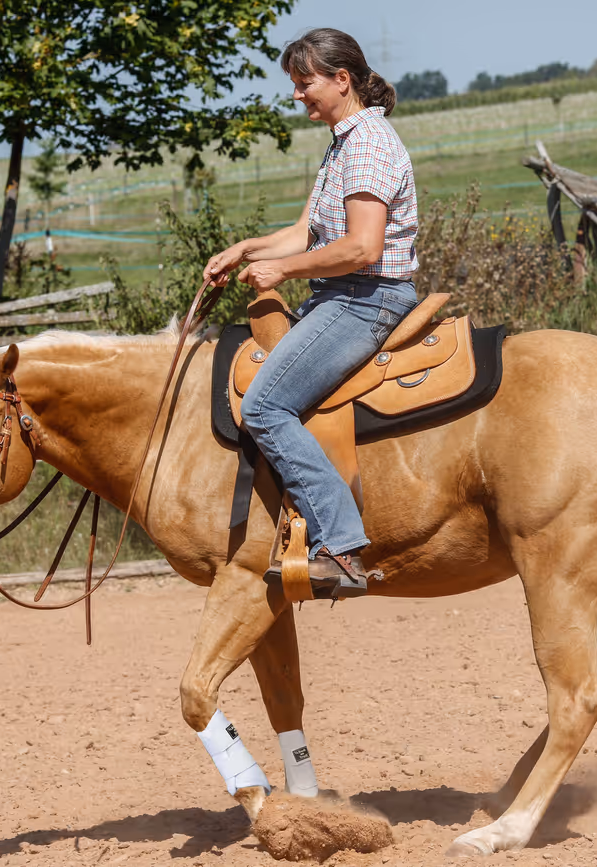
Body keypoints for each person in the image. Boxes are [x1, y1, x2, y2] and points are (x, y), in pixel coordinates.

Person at [203, 27, 419, 595]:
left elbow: (361, 248)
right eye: (295, 84)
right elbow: (306, 233)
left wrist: (280, 272)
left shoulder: (368, 144)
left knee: (267, 404)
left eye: (304, 83)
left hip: (365, 298)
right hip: (341, 295)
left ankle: (341, 545)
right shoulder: (342, 142)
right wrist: (246, 250)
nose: (297, 94)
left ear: (341, 80)